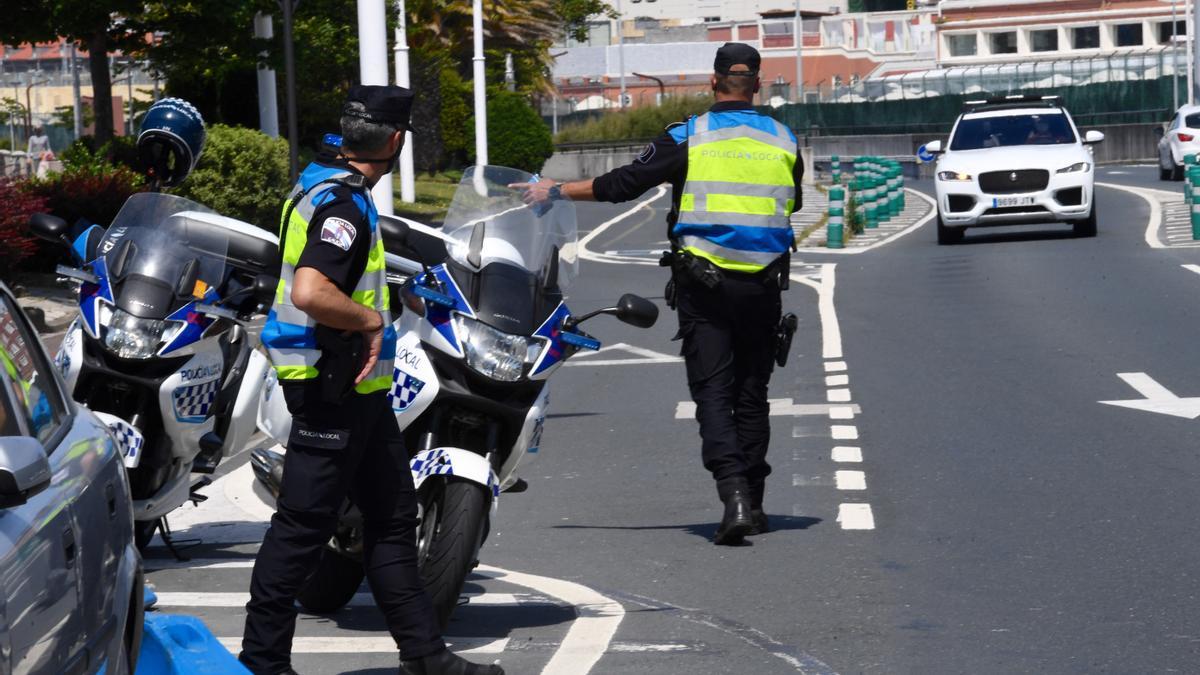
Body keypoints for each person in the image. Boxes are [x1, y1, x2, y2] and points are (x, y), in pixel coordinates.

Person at [243, 84, 502, 675]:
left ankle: (426, 657)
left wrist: (390, 295)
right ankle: (262, 663)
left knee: (393, 520)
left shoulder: (320, 183)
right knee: (302, 530)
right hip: (329, 385)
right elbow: (311, 290)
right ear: (394, 141)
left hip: (359, 390)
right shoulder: (344, 206)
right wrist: (371, 320)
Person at [516, 43, 801, 546]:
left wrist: (556, 191)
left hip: (704, 285)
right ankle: (754, 502)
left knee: (713, 392)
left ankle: (731, 493)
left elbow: (625, 183)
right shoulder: (784, 138)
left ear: (713, 83)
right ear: (757, 84)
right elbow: (792, 200)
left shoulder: (689, 134)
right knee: (752, 393)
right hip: (762, 285)